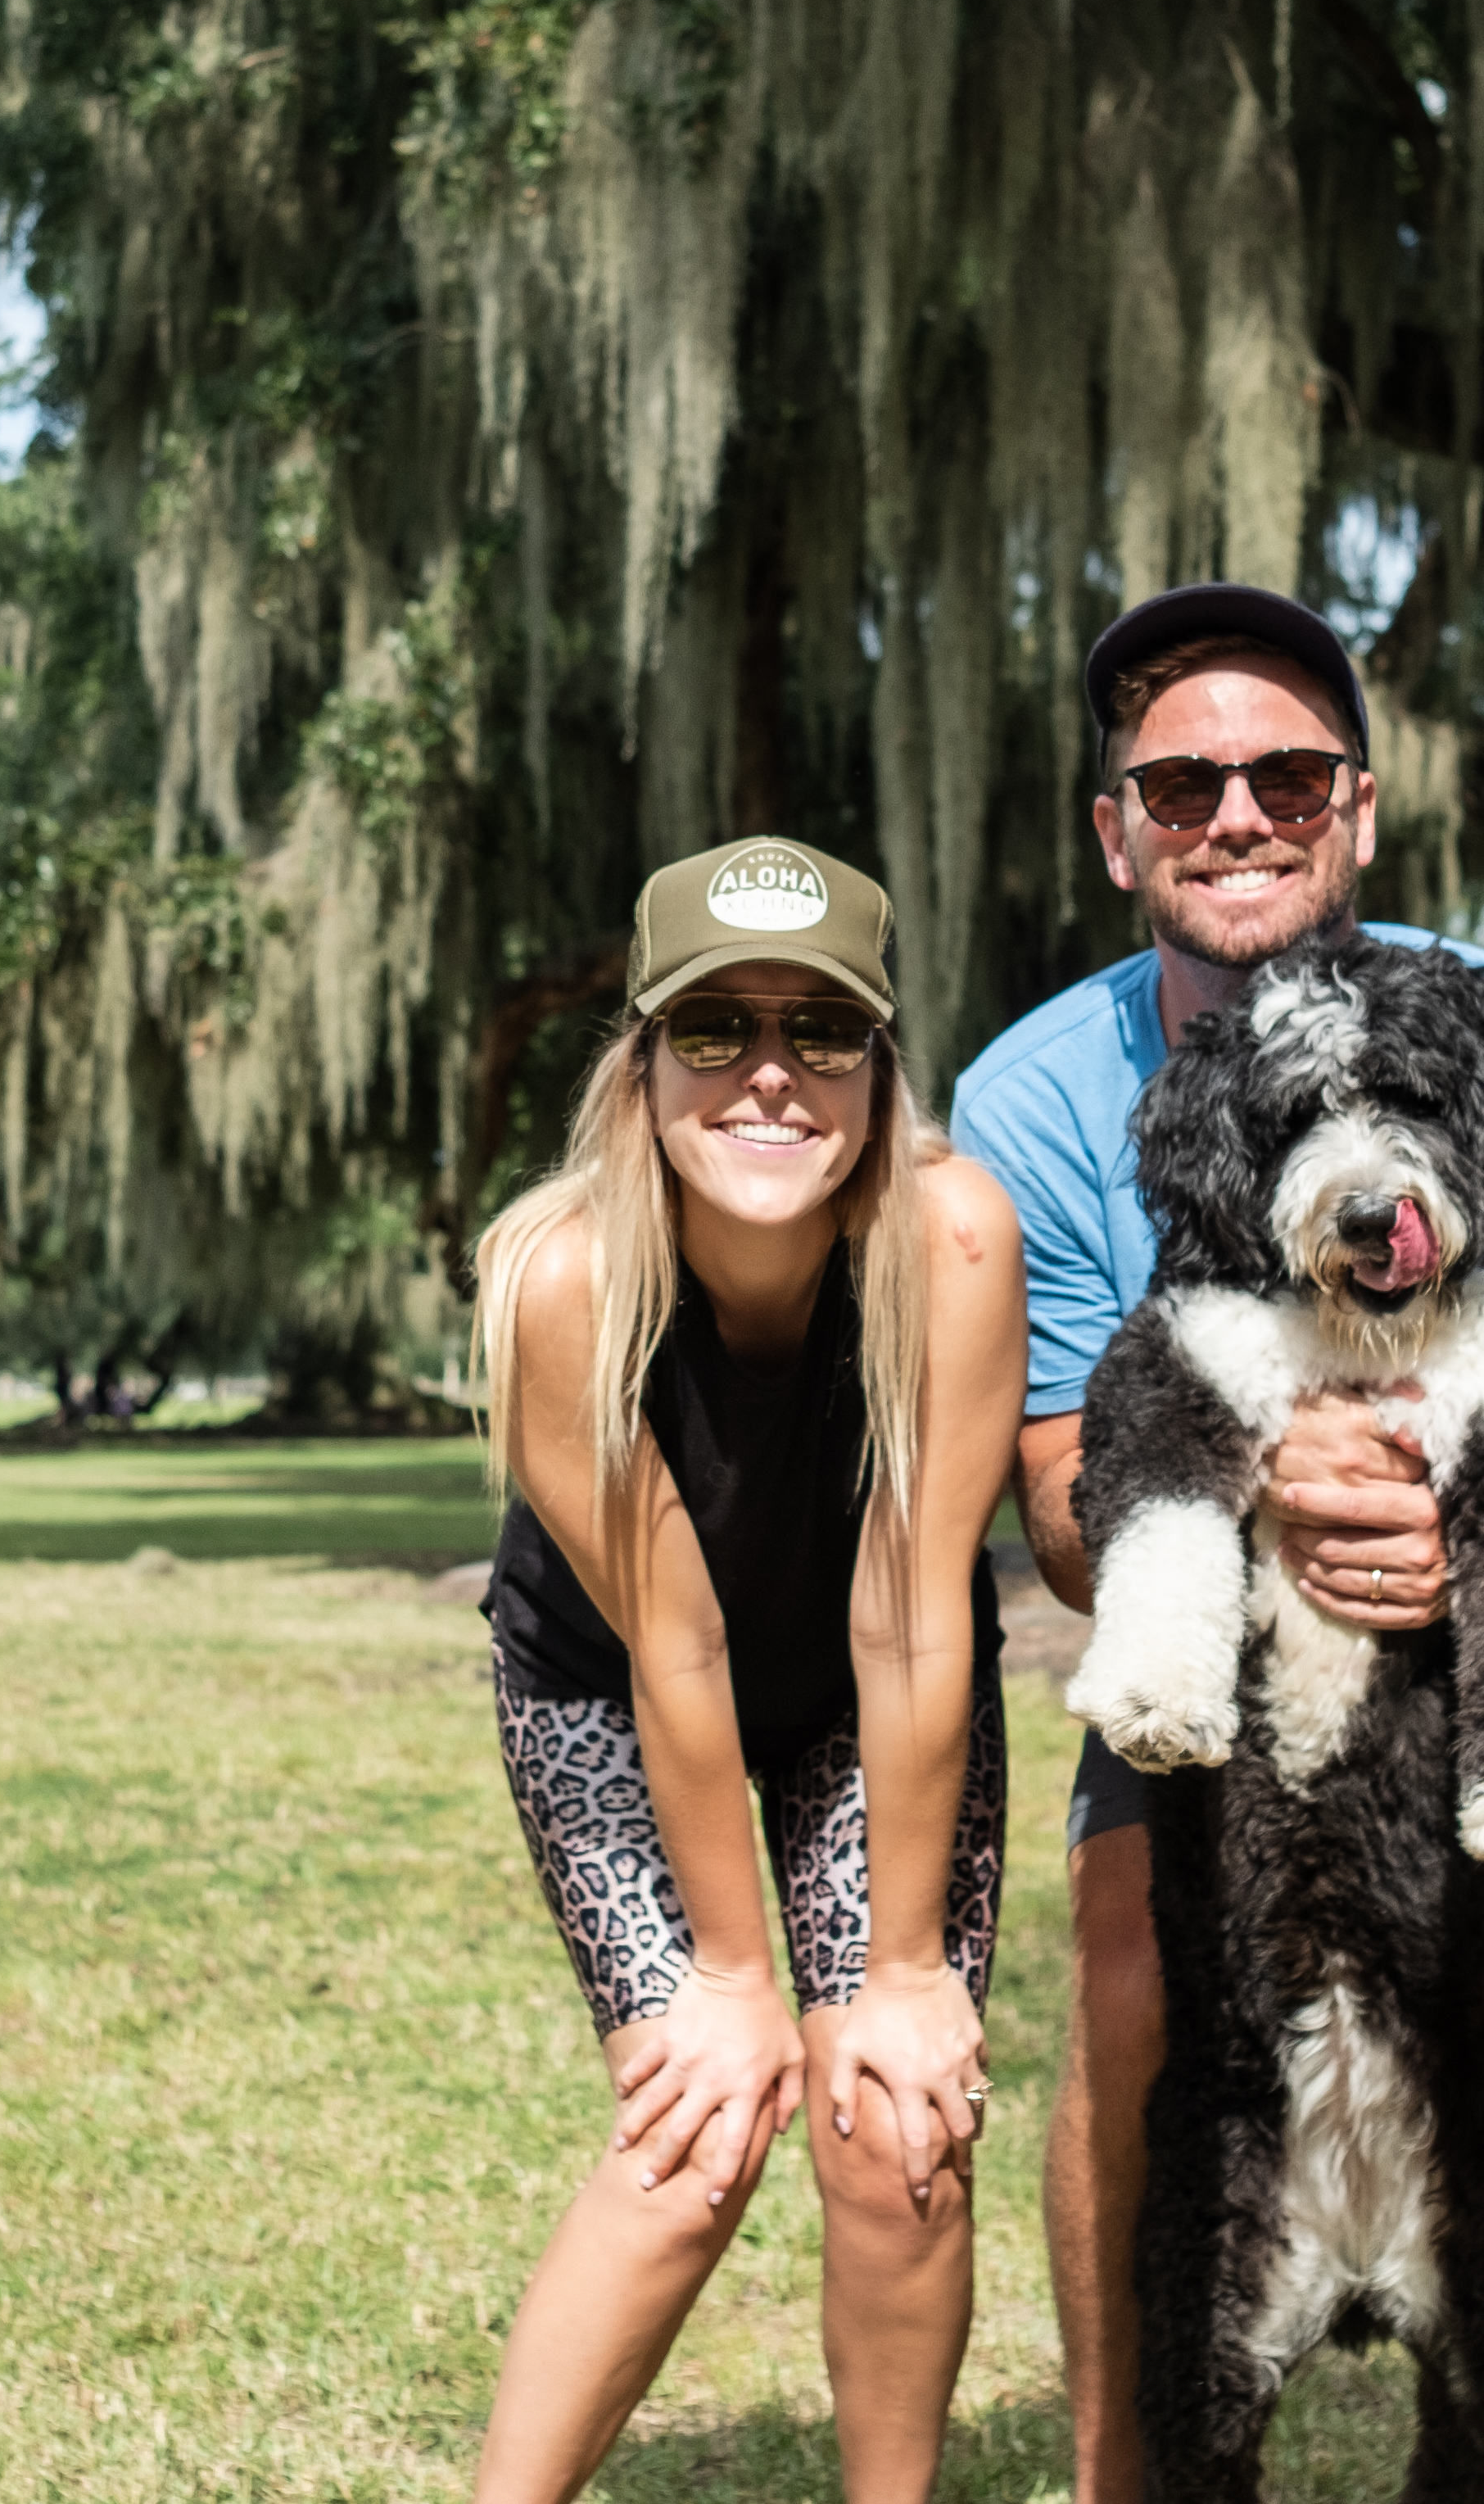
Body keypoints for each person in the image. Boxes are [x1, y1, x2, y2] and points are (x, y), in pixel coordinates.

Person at [948, 584, 1484, 2504]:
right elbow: (1061, 1495)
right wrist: (1254, 1499)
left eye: (1286, 771)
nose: (1237, 811)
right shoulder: (1033, 1095)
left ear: (1358, 807)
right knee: (1125, 1960)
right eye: (1182, 779)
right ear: (1116, 825)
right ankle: (1138, 2475)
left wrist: (1459, 1556)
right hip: (1212, 1612)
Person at [468, 834, 1031, 2504]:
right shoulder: (559, 1279)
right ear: (639, 1064)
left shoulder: (949, 1240)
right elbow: (679, 1638)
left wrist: (907, 1968)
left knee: (897, 2127)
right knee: (694, 2133)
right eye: (713, 1030)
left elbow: (916, 1612)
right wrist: (730, 1978)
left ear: (881, 1061)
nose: (770, 1075)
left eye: (823, 1029)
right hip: (612, 1695)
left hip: (886, 1697)